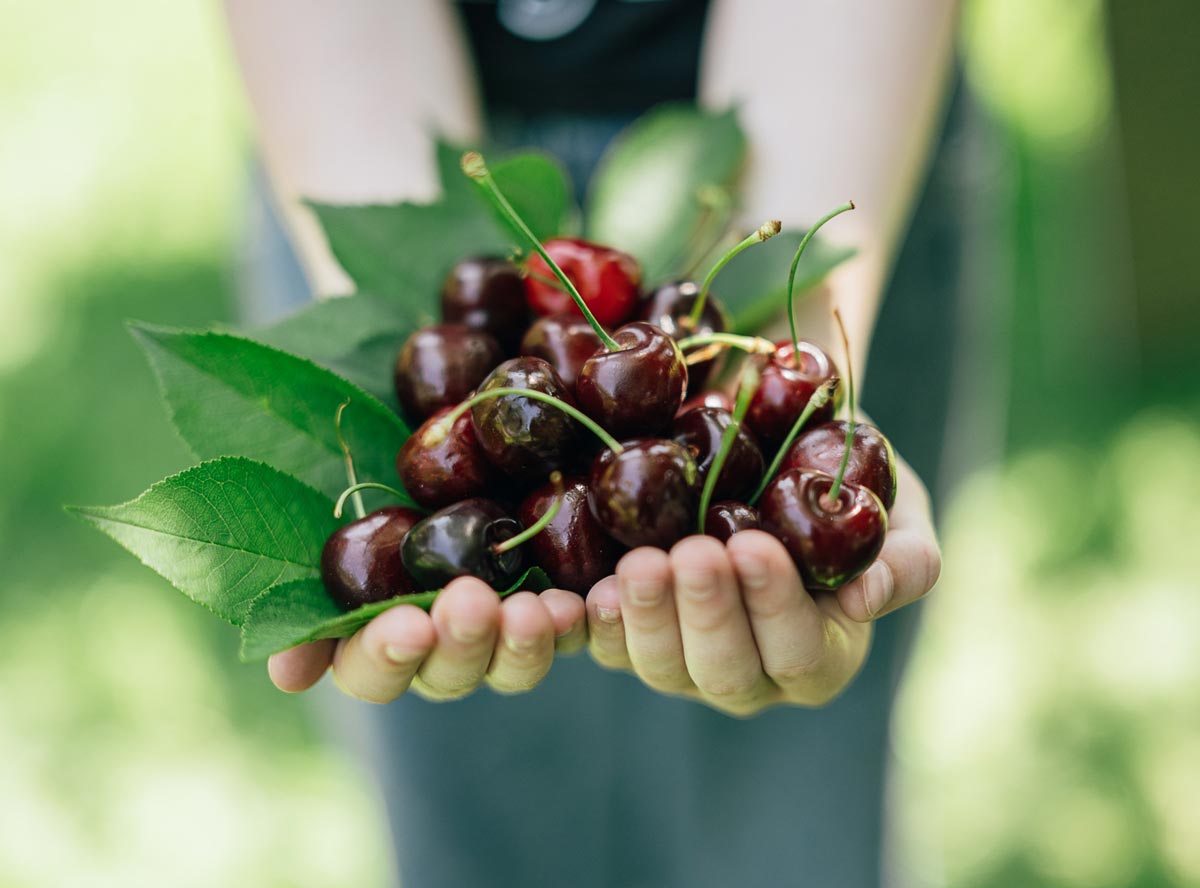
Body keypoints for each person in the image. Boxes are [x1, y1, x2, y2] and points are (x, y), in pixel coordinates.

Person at [224, 2, 956, 884]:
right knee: (481, 820)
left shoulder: (703, 393)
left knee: (782, 814)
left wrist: (794, 300)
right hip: (351, 124)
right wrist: (396, 310)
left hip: (831, 128)